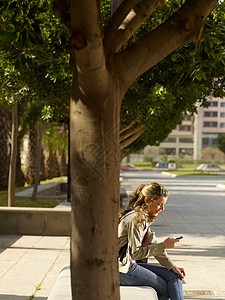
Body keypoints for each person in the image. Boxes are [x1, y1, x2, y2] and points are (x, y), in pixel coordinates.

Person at [118, 182, 185, 300]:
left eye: (164, 205)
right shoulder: (136, 220)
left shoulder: (144, 218)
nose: (162, 208)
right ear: (147, 201)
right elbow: (136, 253)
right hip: (122, 269)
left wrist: (172, 266)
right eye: (159, 204)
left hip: (129, 265)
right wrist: (163, 245)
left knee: (174, 276)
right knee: (167, 289)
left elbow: (154, 244)